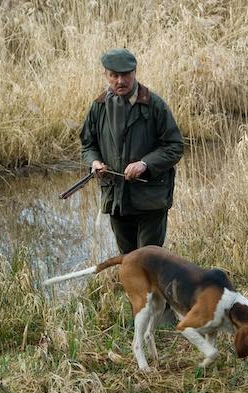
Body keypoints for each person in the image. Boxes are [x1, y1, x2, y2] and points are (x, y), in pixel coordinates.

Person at [81, 48, 184, 254]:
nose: (120, 81)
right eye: (114, 75)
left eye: (125, 74)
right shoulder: (98, 106)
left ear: (135, 72)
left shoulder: (154, 105)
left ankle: (155, 288)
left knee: (149, 260)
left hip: (150, 198)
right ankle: (134, 288)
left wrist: (145, 164)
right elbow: (88, 145)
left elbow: (175, 146)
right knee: (128, 262)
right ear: (106, 75)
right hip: (116, 198)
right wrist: (94, 162)